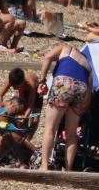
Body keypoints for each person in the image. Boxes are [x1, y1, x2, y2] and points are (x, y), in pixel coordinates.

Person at [37, 42, 92, 171]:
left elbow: (47, 57)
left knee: (50, 128)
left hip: (64, 83)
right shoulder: (86, 62)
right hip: (82, 88)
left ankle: (44, 166)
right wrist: (85, 104)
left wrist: (42, 80)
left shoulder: (65, 47)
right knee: (72, 134)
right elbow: (90, 88)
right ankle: (68, 170)